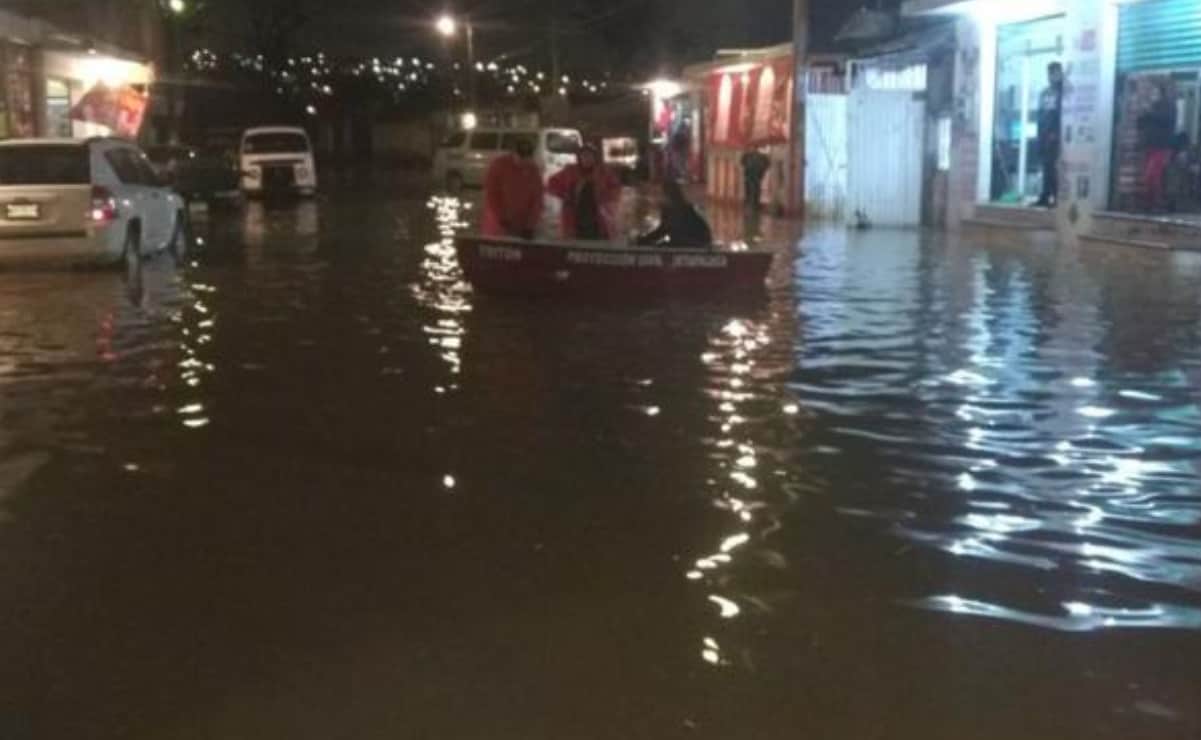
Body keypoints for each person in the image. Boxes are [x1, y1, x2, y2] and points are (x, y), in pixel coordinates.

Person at [547, 144, 621, 240]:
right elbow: (551, 183)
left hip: (597, 216)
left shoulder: (603, 172)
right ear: (579, 158)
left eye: (590, 156)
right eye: (584, 156)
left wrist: (605, 199)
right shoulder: (570, 171)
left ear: (595, 158)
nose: (587, 159)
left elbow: (616, 188)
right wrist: (564, 194)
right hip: (574, 215)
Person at [481, 135, 544, 239]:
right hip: (497, 227)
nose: (523, 160)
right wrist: (501, 218)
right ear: (513, 153)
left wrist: (530, 225)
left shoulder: (534, 171)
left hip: (522, 227)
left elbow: (537, 200)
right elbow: (491, 194)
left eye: (527, 157)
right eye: (520, 156)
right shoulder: (499, 166)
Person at [637, 180, 713, 248]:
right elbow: (662, 230)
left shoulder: (680, 210)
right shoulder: (668, 210)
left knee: (666, 245)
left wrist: (659, 245)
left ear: (668, 195)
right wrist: (644, 240)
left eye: (659, 194)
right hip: (687, 241)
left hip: (698, 243)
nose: (656, 198)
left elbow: (675, 235)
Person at [1138, 81, 1176, 212]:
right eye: (1151, 93)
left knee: (1152, 175)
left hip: (1161, 146)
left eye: (1154, 93)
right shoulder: (1152, 107)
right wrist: (1143, 114)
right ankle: (1149, 205)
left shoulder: (1168, 106)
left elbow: (1165, 119)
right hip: (1150, 145)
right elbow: (1141, 123)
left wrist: (1149, 112)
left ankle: (1157, 204)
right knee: (1151, 176)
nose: (1152, 95)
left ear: (1161, 93)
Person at [1034, 62, 1064, 208]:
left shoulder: (1063, 92)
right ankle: (1045, 195)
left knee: (1053, 167)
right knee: (1046, 166)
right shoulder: (1045, 93)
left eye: (1055, 73)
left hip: (1055, 135)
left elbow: (1060, 115)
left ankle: (1056, 197)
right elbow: (1040, 114)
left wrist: (1056, 133)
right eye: (1050, 73)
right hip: (1043, 134)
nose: (1052, 76)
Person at [741, 147, 771, 212]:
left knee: (750, 192)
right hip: (755, 178)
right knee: (754, 192)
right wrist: (762, 172)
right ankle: (754, 206)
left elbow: (743, 164)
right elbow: (768, 164)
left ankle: (751, 206)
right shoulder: (761, 157)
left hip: (751, 177)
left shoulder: (748, 156)